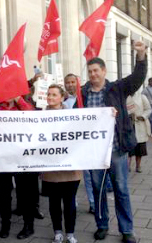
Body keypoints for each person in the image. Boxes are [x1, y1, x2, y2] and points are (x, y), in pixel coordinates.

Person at [78, 41, 147, 243]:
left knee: (122, 190)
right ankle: (102, 225)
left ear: (104, 71)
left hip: (117, 150)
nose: (93, 75)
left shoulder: (117, 88)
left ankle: (126, 229)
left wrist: (141, 54)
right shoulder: (83, 94)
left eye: (96, 71)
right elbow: (74, 118)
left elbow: (137, 78)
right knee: (99, 191)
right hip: (95, 153)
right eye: (90, 71)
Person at [0, 97, 38, 239]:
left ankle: (29, 225)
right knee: (4, 193)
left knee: (25, 193)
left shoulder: (24, 104)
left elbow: (31, 115)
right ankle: (5, 224)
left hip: (22, 157)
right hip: (4, 157)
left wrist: (18, 99)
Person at [44, 85, 82, 243]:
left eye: (54, 95)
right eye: (48, 94)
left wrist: (109, 114)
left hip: (70, 168)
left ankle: (70, 233)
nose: (50, 97)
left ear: (61, 98)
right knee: (53, 203)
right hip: (50, 168)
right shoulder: (40, 116)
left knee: (70, 203)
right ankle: (58, 232)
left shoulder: (72, 115)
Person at [64, 73, 95, 214]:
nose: (70, 85)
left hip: (84, 142)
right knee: (70, 175)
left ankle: (93, 203)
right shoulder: (62, 101)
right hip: (69, 143)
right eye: (67, 82)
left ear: (77, 83)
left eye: (72, 82)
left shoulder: (86, 98)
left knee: (89, 175)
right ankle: (72, 202)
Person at [126, 90, 152, 173]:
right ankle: (127, 166)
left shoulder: (142, 97)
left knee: (140, 148)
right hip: (128, 125)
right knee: (128, 147)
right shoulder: (125, 96)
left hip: (140, 125)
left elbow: (148, 109)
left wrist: (142, 116)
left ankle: (138, 166)